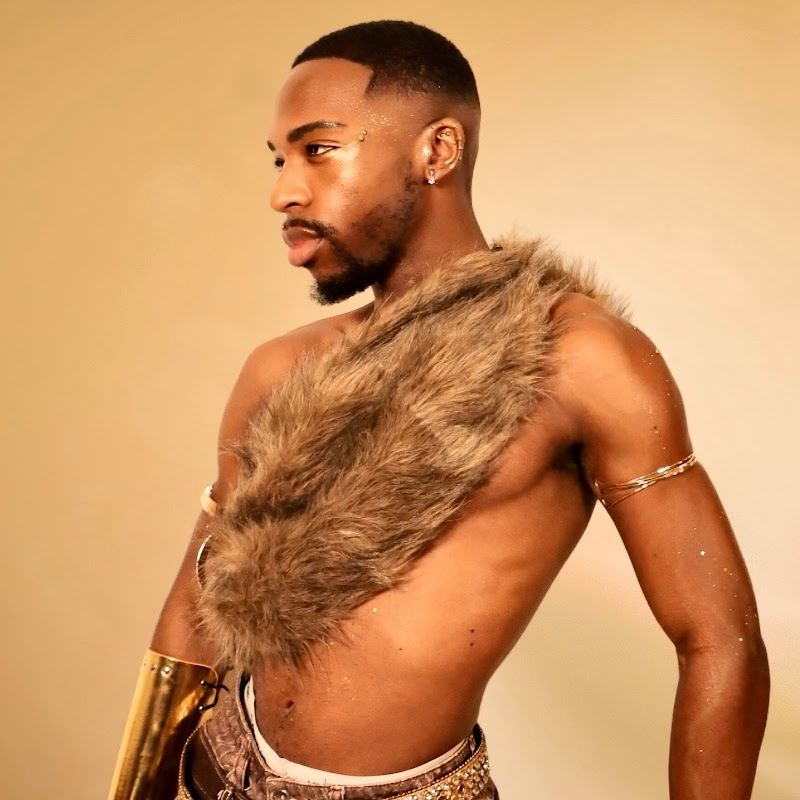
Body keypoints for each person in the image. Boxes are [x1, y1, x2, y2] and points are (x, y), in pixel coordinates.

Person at [107, 20, 769, 800]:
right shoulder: (280, 368)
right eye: (280, 159)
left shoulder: (580, 360)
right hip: (214, 773)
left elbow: (719, 638)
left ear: (437, 151)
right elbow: (195, 608)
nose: (284, 191)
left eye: (319, 149)